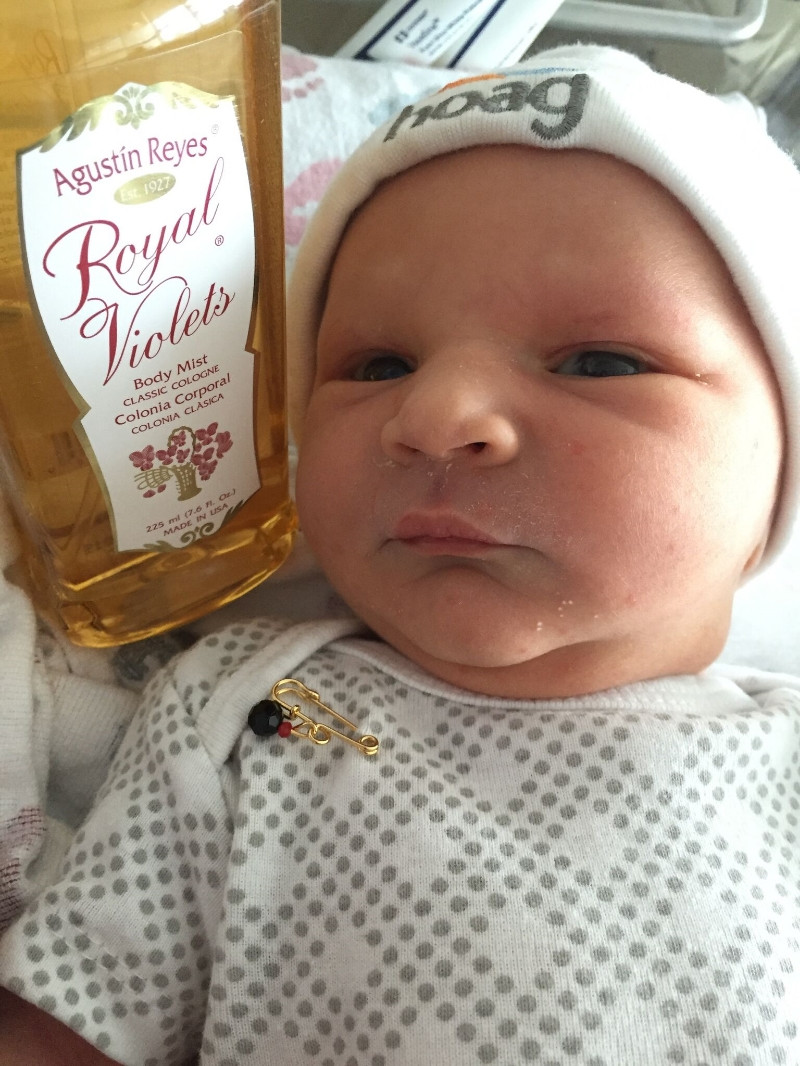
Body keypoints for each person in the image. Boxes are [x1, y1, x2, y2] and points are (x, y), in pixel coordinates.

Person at [1, 43, 800, 1066]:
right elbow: (69, 1025)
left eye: (598, 362)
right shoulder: (267, 709)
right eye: (375, 364)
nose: (432, 416)